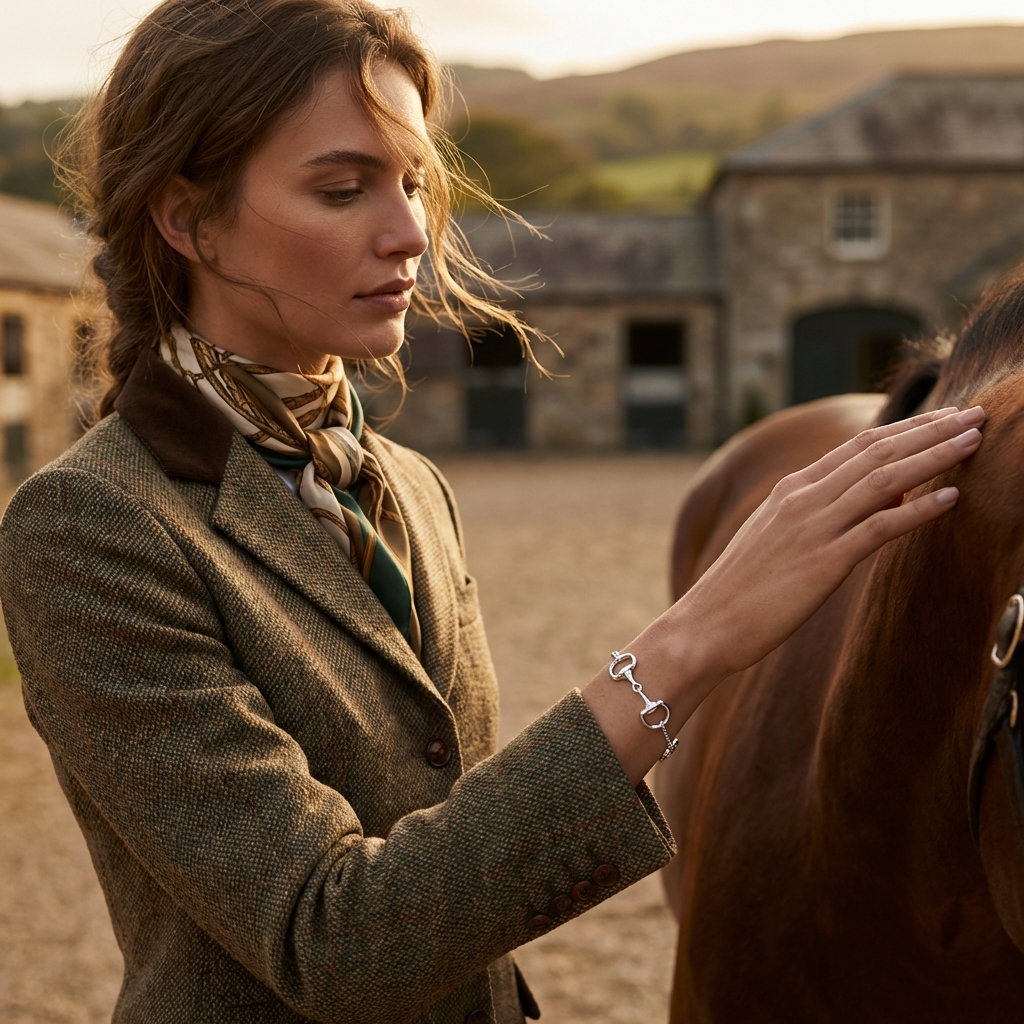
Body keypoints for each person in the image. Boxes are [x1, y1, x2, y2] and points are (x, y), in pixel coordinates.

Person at [0, 2, 985, 1023]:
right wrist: (693, 641)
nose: (411, 231)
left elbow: (449, 832)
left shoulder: (411, 486)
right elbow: (335, 940)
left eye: (415, 182)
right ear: (186, 217)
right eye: (343, 188)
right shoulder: (87, 527)